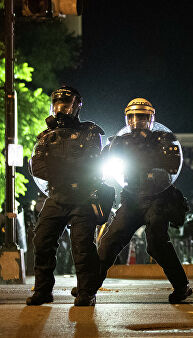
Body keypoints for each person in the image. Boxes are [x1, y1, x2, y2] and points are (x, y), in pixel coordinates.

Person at [85, 98, 191, 303]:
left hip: (157, 199)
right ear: (127, 118)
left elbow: (172, 166)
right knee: (109, 241)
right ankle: (88, 289)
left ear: (151, 118)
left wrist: (149, 164)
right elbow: (101, 162)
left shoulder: (163, 140)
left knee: (157, 243)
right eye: (133, 117)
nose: (137, 121)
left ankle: (181, 286)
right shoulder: (120, 141)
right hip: (132, 199)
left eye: (142, 117)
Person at [27, 86, 106, 306]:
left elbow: (91, 163)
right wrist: (68, 168)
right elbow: (37, 167)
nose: (61, 109)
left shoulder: (89, 132)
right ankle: (43, 291)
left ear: (77, 106)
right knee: (42, 241)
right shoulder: (45, 136)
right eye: (57, 104)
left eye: (66, 104)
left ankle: (86, 293)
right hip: (57, 196)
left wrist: (60, 168)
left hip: (82, 196)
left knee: (82, 247)